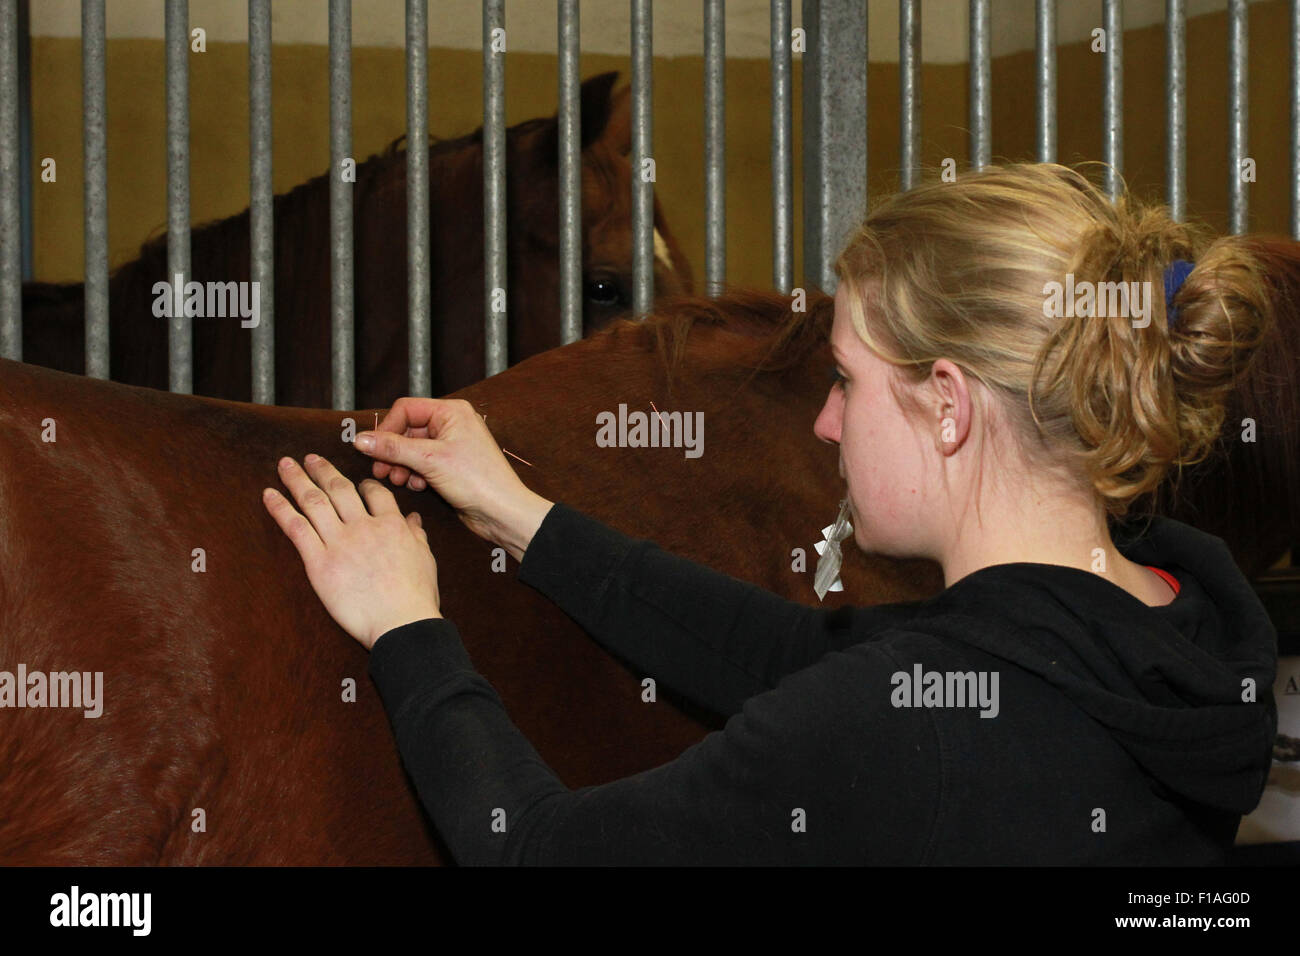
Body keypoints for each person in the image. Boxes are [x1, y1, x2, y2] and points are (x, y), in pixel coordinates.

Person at [262, 162, 1280, 865]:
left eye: (845, 378)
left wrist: (408, 629)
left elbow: (533, 847)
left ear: (949, 404)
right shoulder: (1181, 622)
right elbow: (787, 648)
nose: (827, 422)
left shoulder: (904, 724)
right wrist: (521, 514)